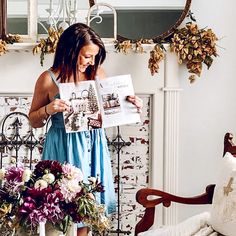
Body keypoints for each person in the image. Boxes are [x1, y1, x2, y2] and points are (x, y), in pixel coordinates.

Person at [28, 22, 143, 236]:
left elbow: (112, 110)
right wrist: (48, 109)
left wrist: (133, 104)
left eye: (93, 57)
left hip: (93, 143)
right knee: (60, 209)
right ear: (70, 50)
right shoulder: (48, 79)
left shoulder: (98, 73)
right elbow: (33, 120)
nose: (90, 61)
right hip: (62, 145)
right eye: (86, 56)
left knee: (89, 209)